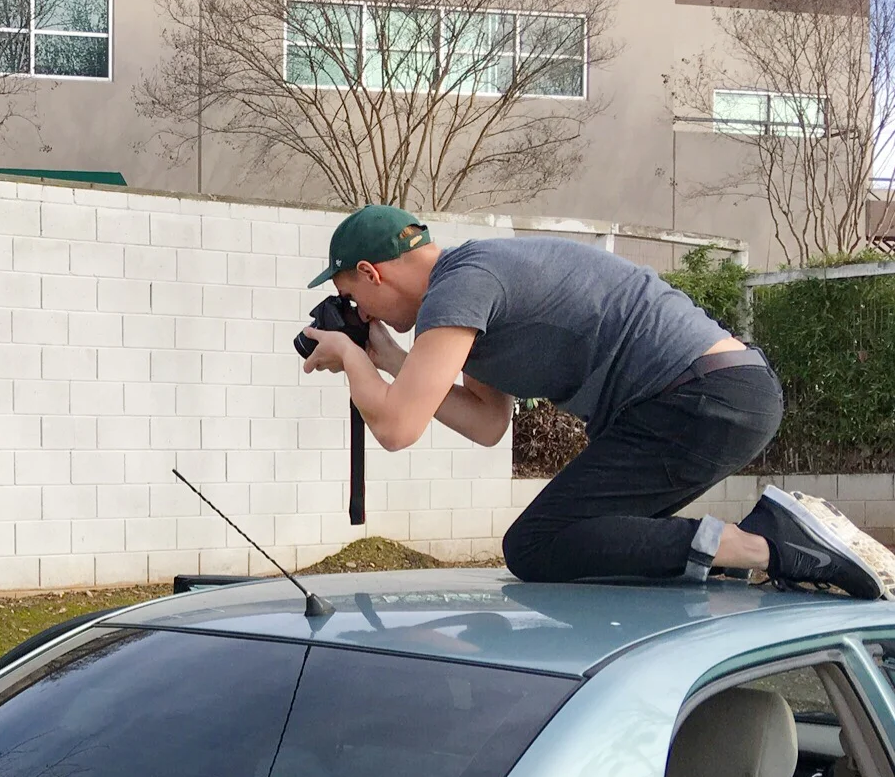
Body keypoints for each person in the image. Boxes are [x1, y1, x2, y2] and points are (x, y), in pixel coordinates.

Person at [297, 203, 893, 599]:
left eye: (354, 298)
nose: (362, 313)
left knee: (535, 544)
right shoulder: (470, 286)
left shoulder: (460, 289)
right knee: (600, 546)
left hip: (699, 397)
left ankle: (770, 545)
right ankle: (748, 554)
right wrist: (388, 359)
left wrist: (350, 356)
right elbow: (485, 423)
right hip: (719, 394)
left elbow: (398, 427)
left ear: (372, 273)